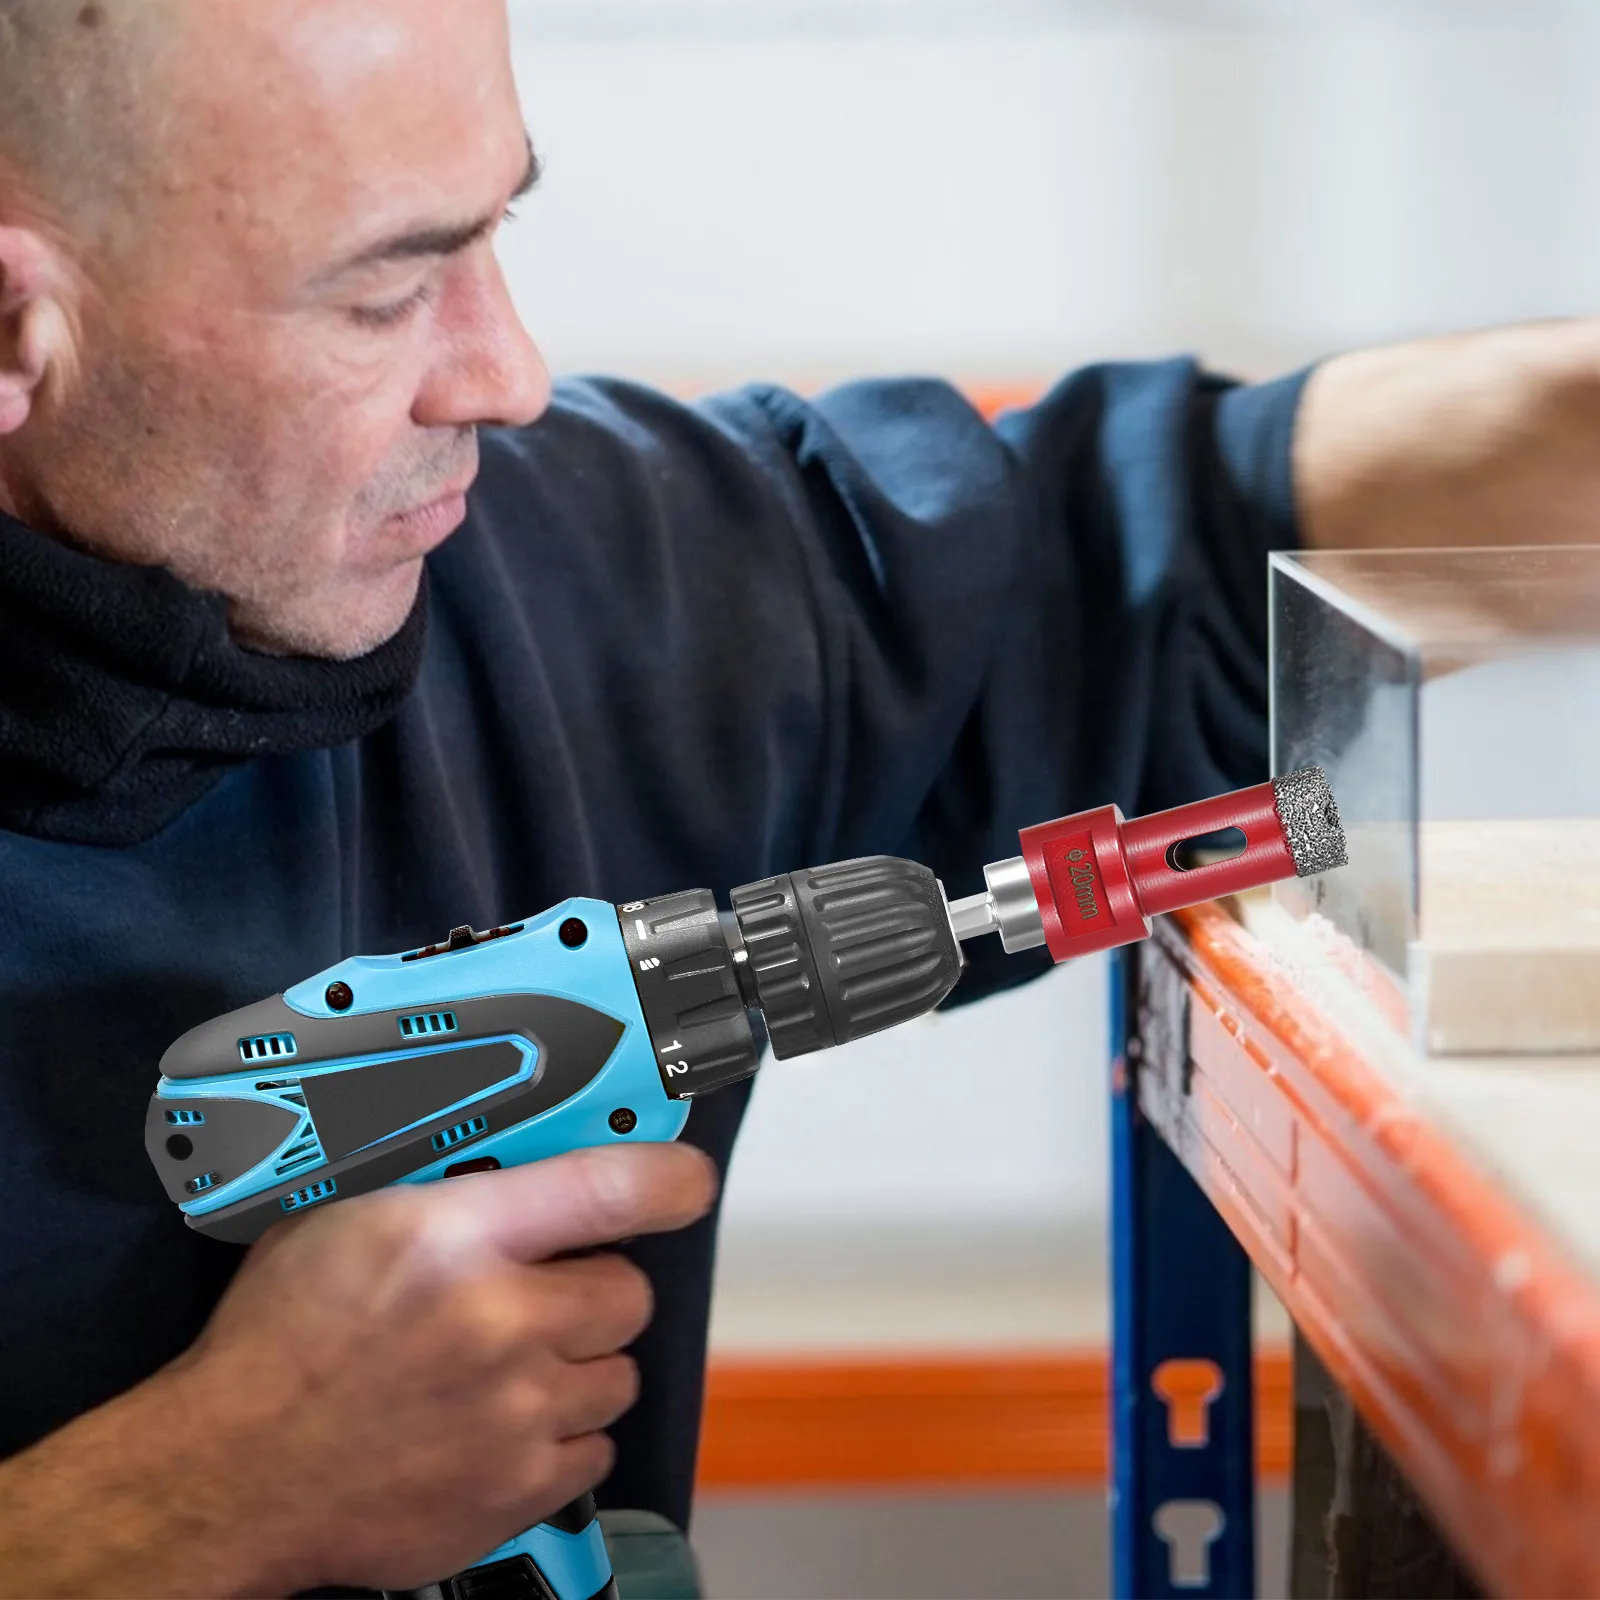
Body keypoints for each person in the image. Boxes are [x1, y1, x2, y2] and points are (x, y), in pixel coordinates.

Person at [0, 0, 1595, 1593]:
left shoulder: (557, 578)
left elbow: (1171, 536)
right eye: (387, 291)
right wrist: (183, 1500)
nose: (509, 374)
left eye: (494, 229)